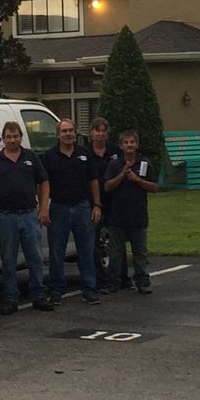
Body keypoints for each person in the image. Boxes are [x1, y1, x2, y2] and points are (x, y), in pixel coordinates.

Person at [0, 120, 55, 314]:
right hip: (6, 218)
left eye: (15, 136)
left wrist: (44, 208)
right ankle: (10, 298)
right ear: (3, 139)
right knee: (8, 260)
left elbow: (44, 182)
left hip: (30, 215)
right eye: (8, 137)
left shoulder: (31, 157)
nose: (12, 140)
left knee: (35, 258)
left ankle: (38, 296)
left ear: (21, 137)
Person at [40, 118, 101, 305]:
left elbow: (93, 180)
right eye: (64, 131)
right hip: (58, 207)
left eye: (71, 131)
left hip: (82, 206)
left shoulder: (84, 154)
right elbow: (44, 184)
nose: (68, 134)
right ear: (58, 135)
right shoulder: (49, 157)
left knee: (86, 250)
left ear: (75, 133)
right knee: (57, 251)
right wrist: (44, 208)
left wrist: (97, 205)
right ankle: (56, 289)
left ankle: (89, 289)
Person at [101, 128, 158, 294]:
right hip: (117, 216)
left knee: (139, 252)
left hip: (138, 215)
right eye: (126, 142)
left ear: (137, 144)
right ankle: (113, 282)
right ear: (121, 146)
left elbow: (154, 187)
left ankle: (142, 281)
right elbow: (107, 186)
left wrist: (137, 179)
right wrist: (122, 175)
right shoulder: (114, 164)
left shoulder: (144, 163)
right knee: (116, 252)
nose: (129, 145)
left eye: (132, 142)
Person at [87, 117, 116, 289]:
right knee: (93, 243)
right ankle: (99, 279)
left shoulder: (114, 150)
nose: (100, 134)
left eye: (103, 130)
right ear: (91, 132)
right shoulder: (85, 152)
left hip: (113, 201)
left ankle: (118, 278)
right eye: (97, 130)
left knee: (115, 242)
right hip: (93, 202)